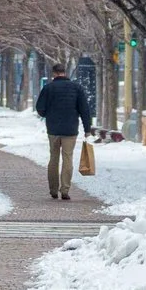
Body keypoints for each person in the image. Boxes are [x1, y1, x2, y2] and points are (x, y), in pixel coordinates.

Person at [33, 60, 97, 201]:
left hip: (53, 129)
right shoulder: (76, 88)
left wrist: (48, 115)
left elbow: (40, 108)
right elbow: (84, 110)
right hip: (70, 129)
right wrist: (87, 129)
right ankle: (65, 190)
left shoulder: (48, 88)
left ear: (54, 74)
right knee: (68, 158)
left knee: (53, 159)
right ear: (64, 73)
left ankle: (53, 190)